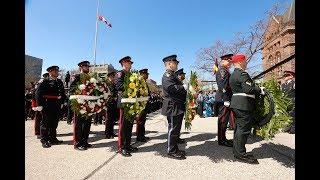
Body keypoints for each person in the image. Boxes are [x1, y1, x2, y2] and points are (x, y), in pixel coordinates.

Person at [229, 54, 265, 164]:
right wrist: (259, 89)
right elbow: (248, 88)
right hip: (243, 105)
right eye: (245, 61)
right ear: (240, 62)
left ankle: (238, 152)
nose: (246, 63)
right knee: (243, 130)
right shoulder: (242, 74)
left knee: (239, 129)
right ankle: (241, 154)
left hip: (238, 104)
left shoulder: (234, 74)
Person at [161, 55, 187, 160]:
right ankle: (171, 151)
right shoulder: (167, 75)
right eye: (175, 63)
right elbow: (170, 88)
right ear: (169, 63)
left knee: (176, 129)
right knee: (173, 129)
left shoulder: (173, 75)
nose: (177, 65)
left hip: (177, 105)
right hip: (172, 106)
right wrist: (182, 87)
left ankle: (174, 148)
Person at [35, 66, 66, 148]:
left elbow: (62, 93)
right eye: (55, 71)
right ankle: (44, 140)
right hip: (47, 105)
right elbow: (38, 93)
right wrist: (39, 105)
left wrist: (62, 102)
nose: (57, 72)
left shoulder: (59, 81)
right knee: (45, 123)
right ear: (50, 72)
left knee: (54, 123)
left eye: (57, 71)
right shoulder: (44, 81)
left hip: (57, 105)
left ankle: (53, 138)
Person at [116, 56, 138, 157]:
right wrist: (130, 85)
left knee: (129, 126)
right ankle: (122, 147)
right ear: (123, 64)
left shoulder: (132, 74)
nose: (130, 64)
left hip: (131, 103)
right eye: (128, 63)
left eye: (130, 63)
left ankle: (128, 145)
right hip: (124, 103)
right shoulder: (120, 73)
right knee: (123, 126)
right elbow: (119, 86)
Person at [70, 61, 93, 151]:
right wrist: (80, 89)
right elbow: (71, 89)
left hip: (89, 103)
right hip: (79, 104)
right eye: (85, 67)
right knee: (78, 124)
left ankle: (84, 141)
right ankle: (77, 143)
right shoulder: (76, 77)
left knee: (87, 124)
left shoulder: (91, 77)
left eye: (88, 67)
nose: (87, 68)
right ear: (81, 67)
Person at [215, 54, 235, 147]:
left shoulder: (225, 71)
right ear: (224, 61)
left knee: (224, 120)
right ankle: (221, 140)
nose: (230, 63)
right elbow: (222, 86)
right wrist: (226, 99)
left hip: (225, 98)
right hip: (223, 99)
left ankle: (223, 138)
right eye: (229, 61)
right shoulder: (222, 71)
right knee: (222, 120)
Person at [136, 69, 151, 142]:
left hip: (145, 104)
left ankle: (142, 135)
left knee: (143, 121)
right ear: (142, 74)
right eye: (146, 74)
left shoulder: (144, 82)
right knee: (140, 121)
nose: (147, 75)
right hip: (140, 104)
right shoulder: (139, 82)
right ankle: (139, 136)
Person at [105, 70, 118, 139]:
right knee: (108, 119)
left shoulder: (114, 84)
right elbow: (106, 94)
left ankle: (111, 132)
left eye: (114, 76)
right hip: (109, 103)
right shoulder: (107, 84)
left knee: (112, 119)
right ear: (109, 77)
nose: (113, 78)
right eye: (112, 76)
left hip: (114, 103)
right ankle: (107, 133)